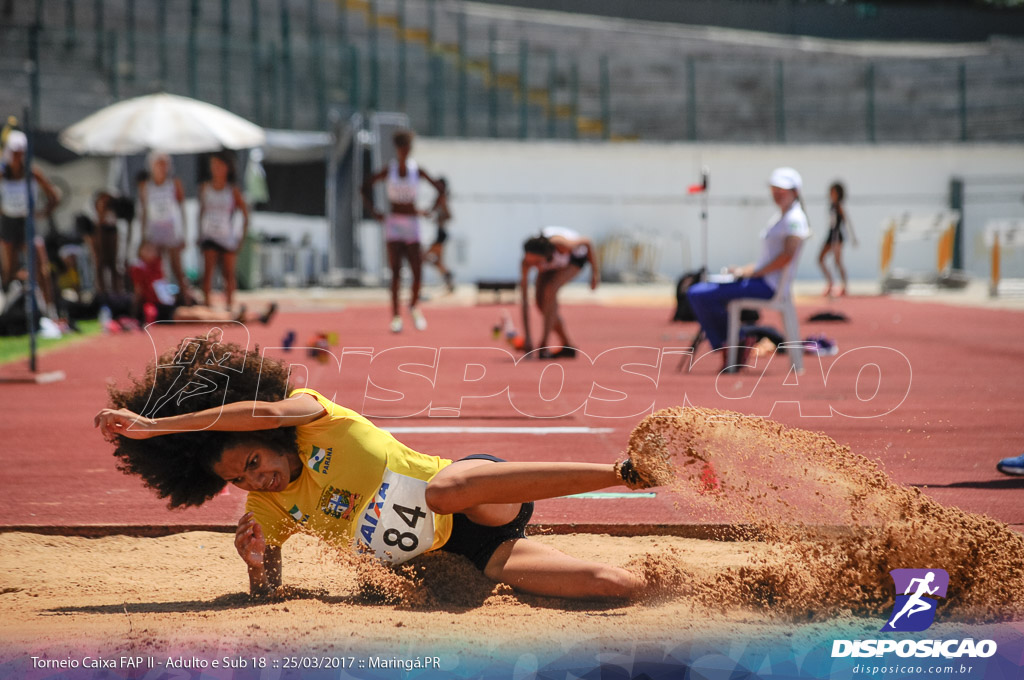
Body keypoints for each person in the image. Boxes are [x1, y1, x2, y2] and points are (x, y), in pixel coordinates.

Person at [94, 335, 664, 600]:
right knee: (608, 586)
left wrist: (156, 426)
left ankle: (625, 472)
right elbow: (268, 593)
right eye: (236, 480)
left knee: (443, 490)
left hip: (476, 494)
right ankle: (681, 588)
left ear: (266, 437)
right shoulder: (267, 506)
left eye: (252, 461)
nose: (252, 480)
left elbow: (263, 409)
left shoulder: (315, 416)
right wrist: (256, 563)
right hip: (464, 554)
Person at [687, 167, 811, 371]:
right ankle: (733, 342)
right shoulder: (783, 216)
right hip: (760, 281)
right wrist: (743, 271)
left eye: (783, 190)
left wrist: (754, 273)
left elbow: (786, 256)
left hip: (767, 286)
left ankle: (733, 343)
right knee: (703, 291)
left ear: (795, 191)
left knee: (698, 293)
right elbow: (768, 261)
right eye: (774, 189)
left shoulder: (794, 219)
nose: (777, 194)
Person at [361, 130, 444, 333]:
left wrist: (430, 210)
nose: (404, 152)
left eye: (407, 149)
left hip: (412, 224)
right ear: (397, 150)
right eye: (401, 149)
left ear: (410, 150)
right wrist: (375, 212)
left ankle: (414, 306)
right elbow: (364, 187)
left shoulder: (417, 171)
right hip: (394, 224)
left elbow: (441, 189)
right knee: (396, 272)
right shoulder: (389, 171)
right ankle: (396, 316)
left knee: (417, 270)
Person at [129, 241, 275, 324]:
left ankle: (255, 316)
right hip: (159, 310)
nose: (151, 252)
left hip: (169, 303)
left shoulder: (157, 266)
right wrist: (135, 314)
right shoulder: (138, 268)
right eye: (147, 249)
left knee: (204, 310)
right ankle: (236, 317)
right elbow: (139, 292)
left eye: (152, 249)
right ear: (140, 251)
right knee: (198, 316)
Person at [0, 130, 60, 314]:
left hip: (27, 222)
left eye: (21, 153)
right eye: (15, 153)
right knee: (9, 268)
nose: (19, 157)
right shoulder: (2, 173)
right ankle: (9, 309)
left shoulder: (33, 173)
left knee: (40, 265)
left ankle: (50, 310)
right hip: (8, 223)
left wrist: (43, 212)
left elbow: (54, 196)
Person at [520, 226, 599, 359]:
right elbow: (524, 300)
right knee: (541, 305)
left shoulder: (560, 245)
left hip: (574, 259)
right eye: (532, 264)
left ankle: (544, 344)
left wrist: (595, 274)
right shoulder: (526, 263)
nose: (536, 267)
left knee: (550, 289)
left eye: (538, 263)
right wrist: (527, 337)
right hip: (553, 262)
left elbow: (587, 242)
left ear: (546, 256)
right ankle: (567, 345)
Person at [138, 152, 191, 305]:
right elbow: (143, 213)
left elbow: (182, 210)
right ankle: (161, 301)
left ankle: (186, 300)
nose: (161, 168)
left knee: (177, 269)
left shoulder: (174, 184)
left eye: (164, 164)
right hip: (154, 234)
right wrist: (143, 237)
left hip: (171, 232)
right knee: (157, 270)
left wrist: (183, 234)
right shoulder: (146, 186)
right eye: (158, 164)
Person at [198, 151, 249, 309]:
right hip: (210, 235)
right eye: (213, 166)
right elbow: (200, 212)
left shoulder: (232, 190)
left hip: (227, 236)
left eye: (219, 166)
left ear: (227, 168)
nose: (216, 169)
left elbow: (245, 214)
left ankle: (229, 306)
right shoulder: (205, 188)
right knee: (207, 273)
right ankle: (207, 305)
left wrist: (241, 236)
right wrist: (199, 234)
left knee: (228, 273)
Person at [818, 181, 856, 297]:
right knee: (820, 259)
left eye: (834, 191)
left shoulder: (839, 206)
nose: (831, 193)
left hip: (837, 236)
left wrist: (852, 237)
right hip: (830, 235)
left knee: (838, 262)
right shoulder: (831, 205)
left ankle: (844, 286)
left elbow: (847, 222)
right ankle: (830, 283)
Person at [422, 176, 454, 294]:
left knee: (423, 257)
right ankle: (448, 277)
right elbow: (432, 211)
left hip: (441, 234)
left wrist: (439, 218)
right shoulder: (439, 198)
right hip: (439, 233)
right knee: (437, 262)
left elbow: (449, 216)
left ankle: (420, 286)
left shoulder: (442, 198)